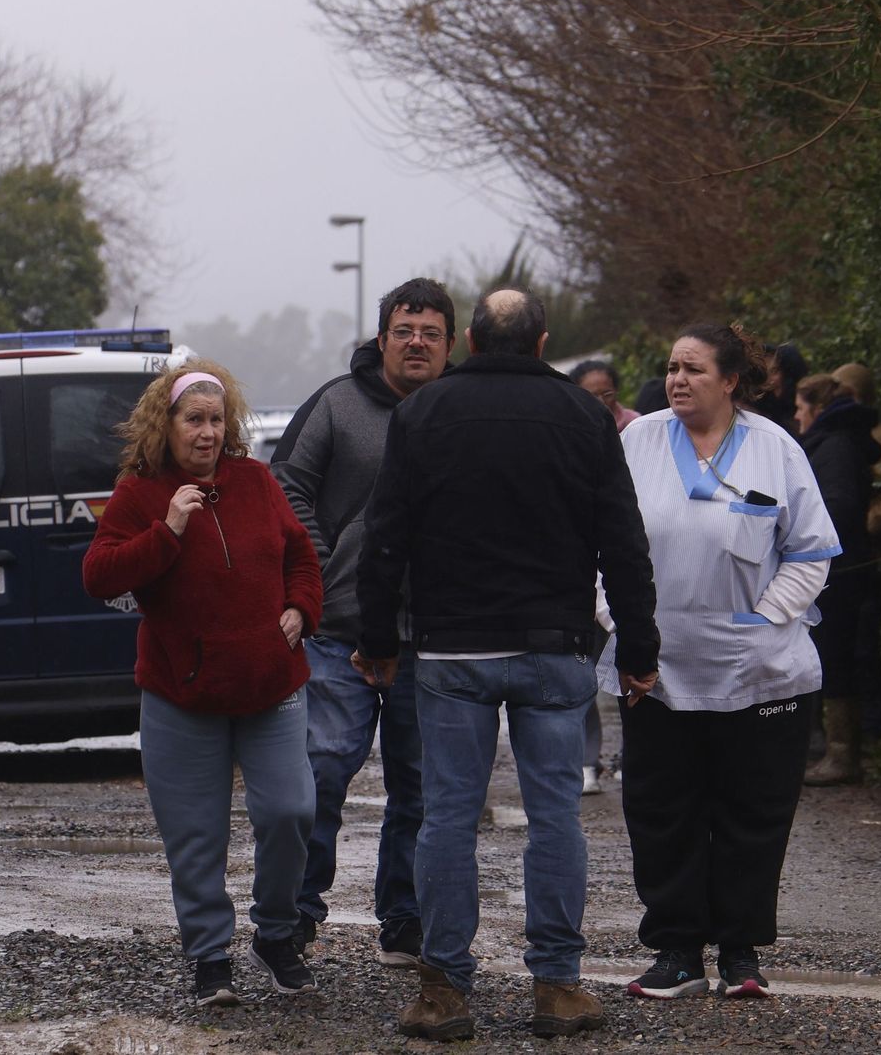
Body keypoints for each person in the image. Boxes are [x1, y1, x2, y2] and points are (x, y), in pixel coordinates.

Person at [355, 287, 661, 1042]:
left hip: (454, 647)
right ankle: (556, 986)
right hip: (554, 646)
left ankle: (444, 991)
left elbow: (385, 536)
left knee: (447, 818)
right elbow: (622, 541)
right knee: (556, 818)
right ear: (540, 341)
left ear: (470, 343)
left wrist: (379, 641)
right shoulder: (586, 417)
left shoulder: (422, 414)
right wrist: (640, 651)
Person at [599, 322, 838, 1001]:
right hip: (656, 665)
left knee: (751, 811)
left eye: (694, 370)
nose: (676, 380)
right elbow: (601, 546)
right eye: (672, 367)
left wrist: (764, 621)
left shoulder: (775, 449)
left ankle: (740, 952)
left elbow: (812, 550)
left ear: (732, 380)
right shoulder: (637, 442)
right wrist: (623, 622)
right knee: (663, 809)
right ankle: (674, 950)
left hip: (760, 665)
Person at [82, 359, 324, 1008]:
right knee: (196, 835)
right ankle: (209, 955)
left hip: (270, 685)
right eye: (195, 420)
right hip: (180, 695)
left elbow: (300, 552)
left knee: (291, 810)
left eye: (218, 420)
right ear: (167, 424)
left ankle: (275, 935)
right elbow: (100, 575)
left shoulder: (256, 481)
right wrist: (169, 529)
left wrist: (302, 608)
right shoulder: (138, 493)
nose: (209, 433)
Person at [270, 277, 453, 969]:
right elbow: (288, 486)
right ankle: (297, 914)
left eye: (430, 333)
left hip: (428, 638)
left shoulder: (457, 411)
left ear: (450, 344)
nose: (416, 343)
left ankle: (403, 918)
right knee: (319, 776)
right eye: (404, 330)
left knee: (420, 786)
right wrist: (319, 569)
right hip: (337, 631)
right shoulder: (337, 404)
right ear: (383, 339)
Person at [795, 374, 881, 785]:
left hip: (839, 572)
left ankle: (842, 754)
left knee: (836, 658)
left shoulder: (833, 447)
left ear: (815, 408)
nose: (795, 416)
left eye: (799, 407)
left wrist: (803, 538)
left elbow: (838, 506)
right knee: (835, 655)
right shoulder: (837, 443)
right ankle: (837, 750)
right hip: (841, 567)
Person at [569, 358, 642, 795]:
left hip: (621, 564)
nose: (601, 403)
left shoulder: (637, 430)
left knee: (629, 668)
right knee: (581, 674)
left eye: (607, 394)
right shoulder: (565, 430)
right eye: (591, 395)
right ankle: (585, 762)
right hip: (580, 571)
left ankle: (634, 756)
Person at [831, 362, 881, 740]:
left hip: (873, 555)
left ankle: (875, 726)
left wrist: (863, 517)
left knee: (865, 648)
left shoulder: (880, 439)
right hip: (854, 555)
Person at [570, 359, 641, 433]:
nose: (601, 401)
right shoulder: (572, 431)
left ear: (616, 391)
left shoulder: (635, 423)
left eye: (607, 394)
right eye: (592, 397)